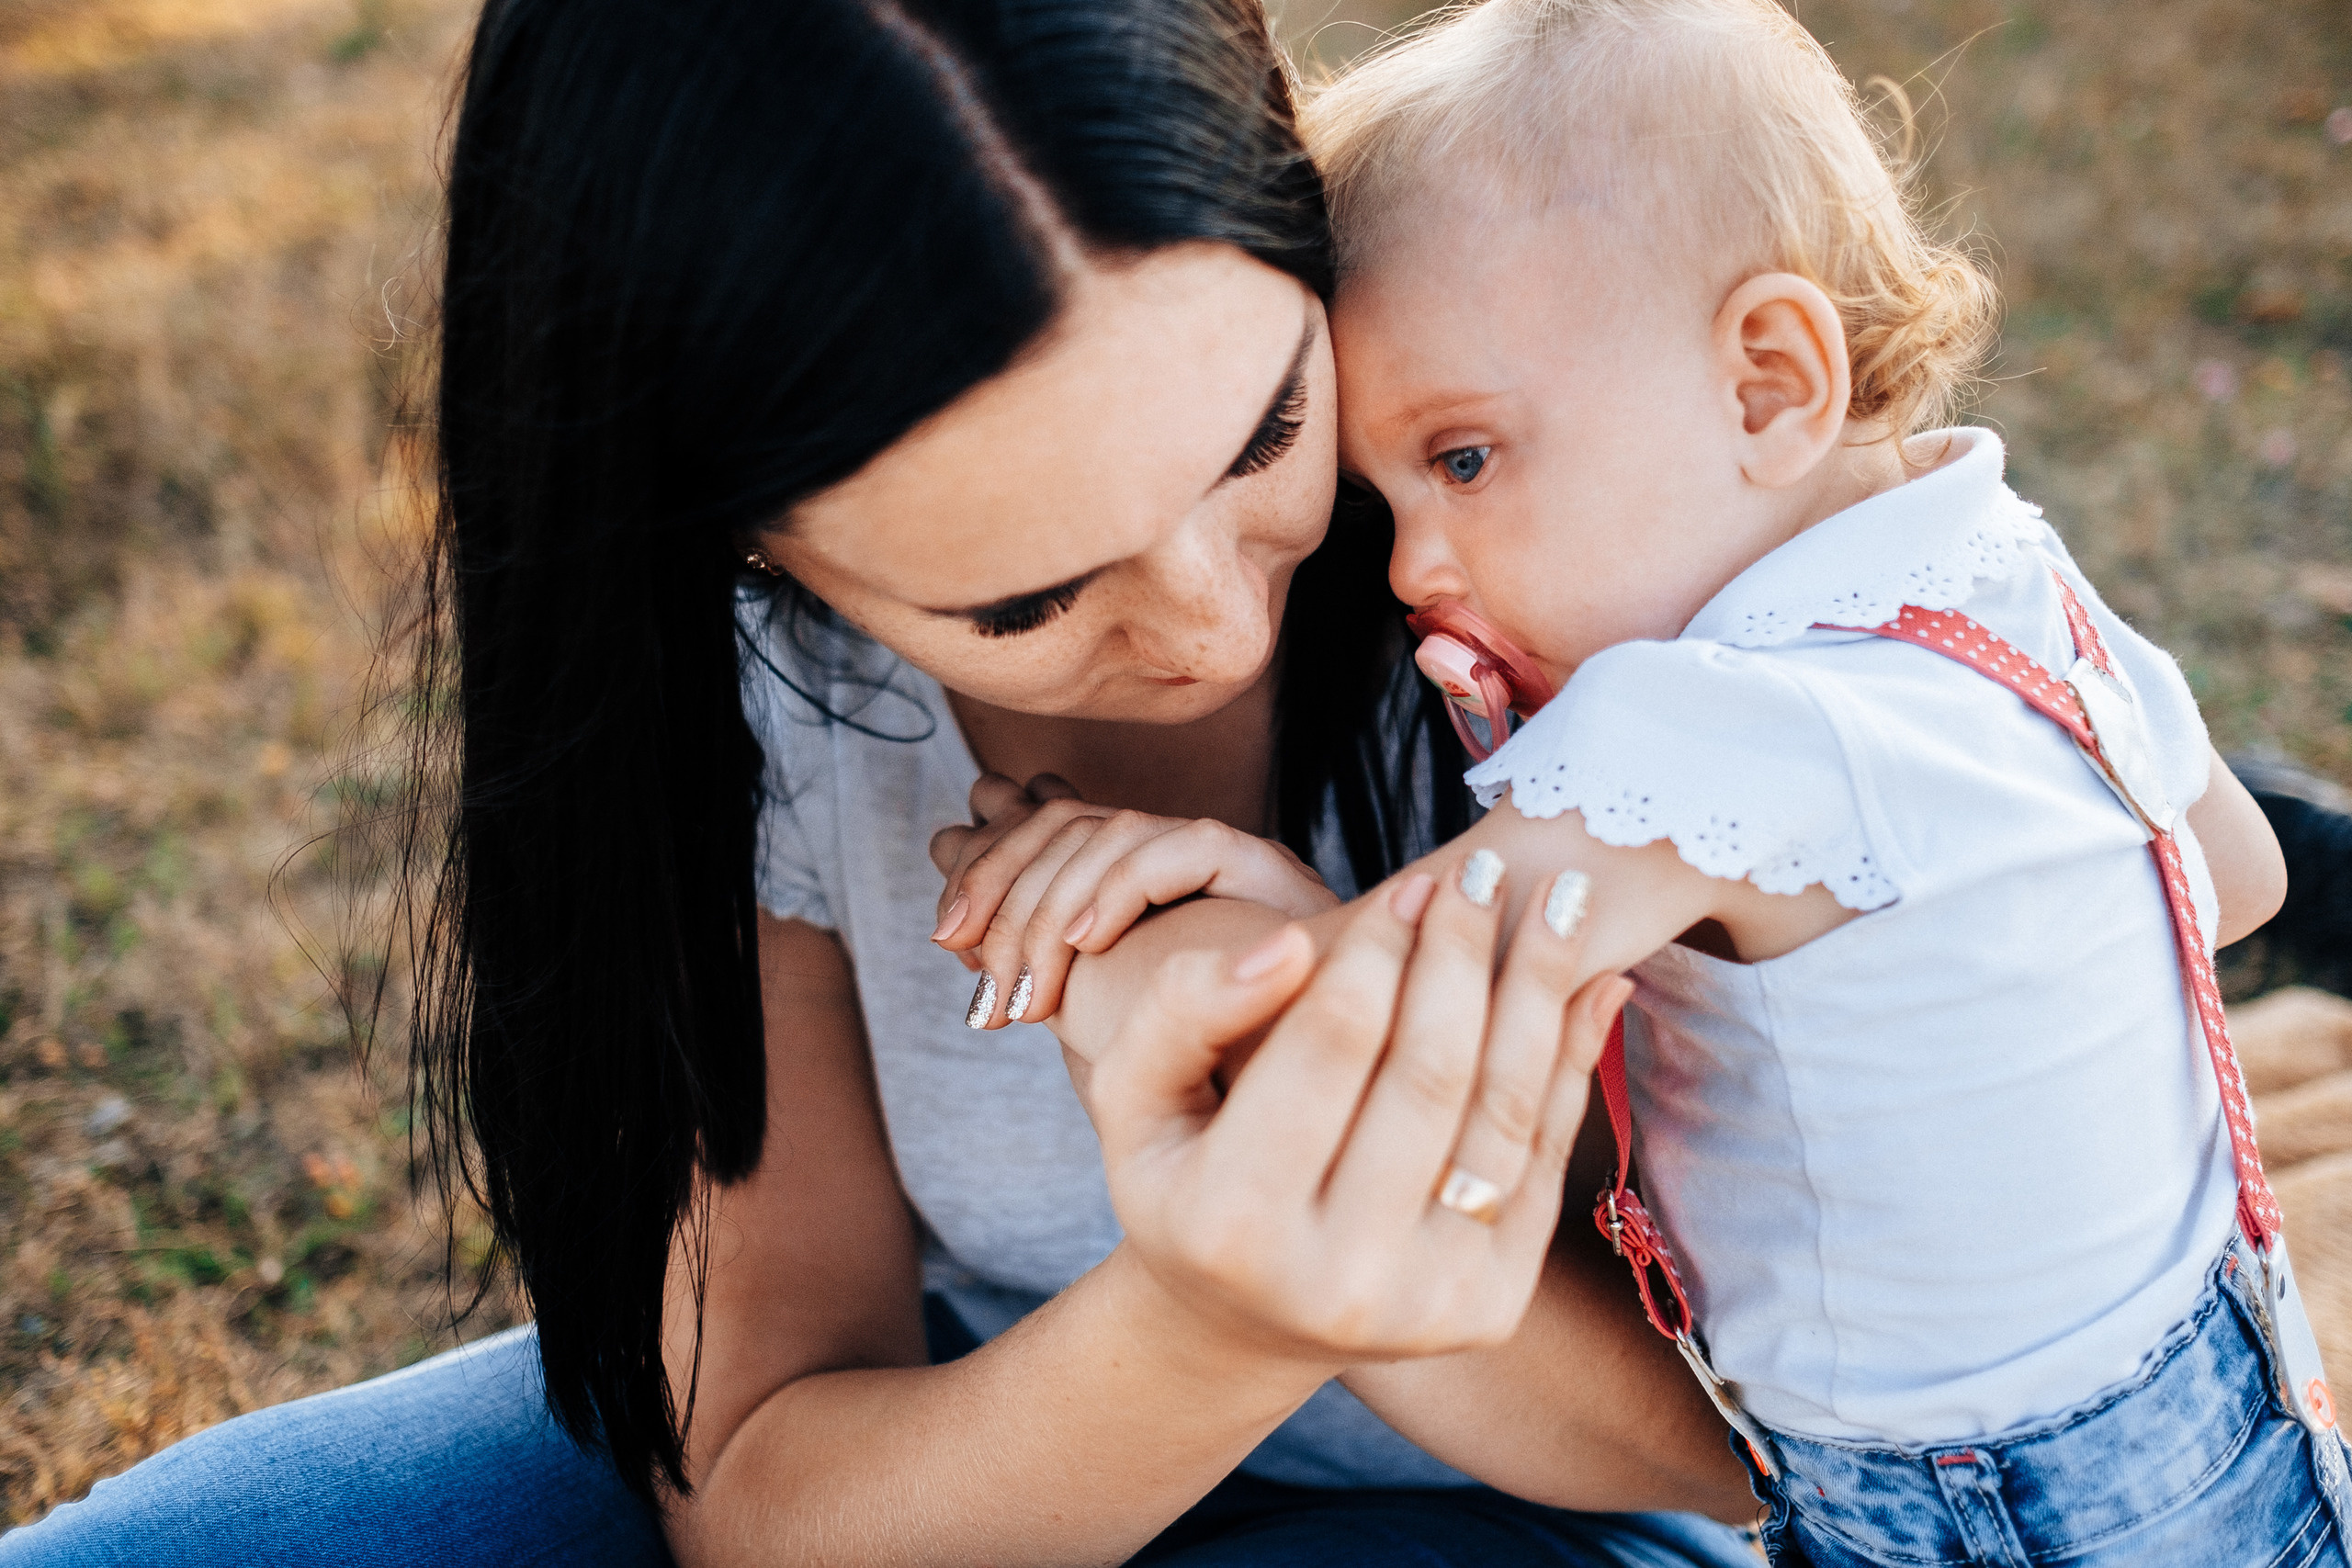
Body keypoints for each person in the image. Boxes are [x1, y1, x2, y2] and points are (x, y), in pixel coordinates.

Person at [0, 1, 1759, 1562]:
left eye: (1266, 435)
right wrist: (1212, 1318)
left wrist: (1308, 1146)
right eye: (1020, 597)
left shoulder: (1604, 553)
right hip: (966, 1428)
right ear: (735, 541)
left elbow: (1764, 1452)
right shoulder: (759, 708)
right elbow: (764, 1486)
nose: (1217, 626)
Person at [931, 2, 2352, 1562]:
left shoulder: (1688, 732)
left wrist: (1249, 906)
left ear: (1766, 383)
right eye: (1384, 494)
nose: (1409, 564)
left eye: (1462, 459)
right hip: (2224, 1382)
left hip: (1973, 1494)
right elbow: (2238, 876)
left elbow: (1404, 1019)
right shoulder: (2001, 558)